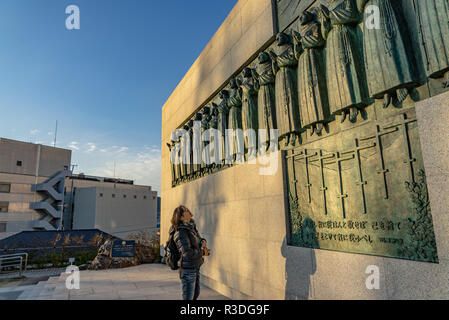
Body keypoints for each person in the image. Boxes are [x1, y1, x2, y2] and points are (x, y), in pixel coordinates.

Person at [170, 205, 210, 300]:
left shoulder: (191, 227)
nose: (188, 210)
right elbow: (187, 253)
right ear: (181, 217)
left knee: (195, 295)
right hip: (188, 270)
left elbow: (197, 241)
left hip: (195, 267)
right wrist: (203, 252)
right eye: (185, 210)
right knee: (188, 297)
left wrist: (203, 241)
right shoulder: (180, 232)